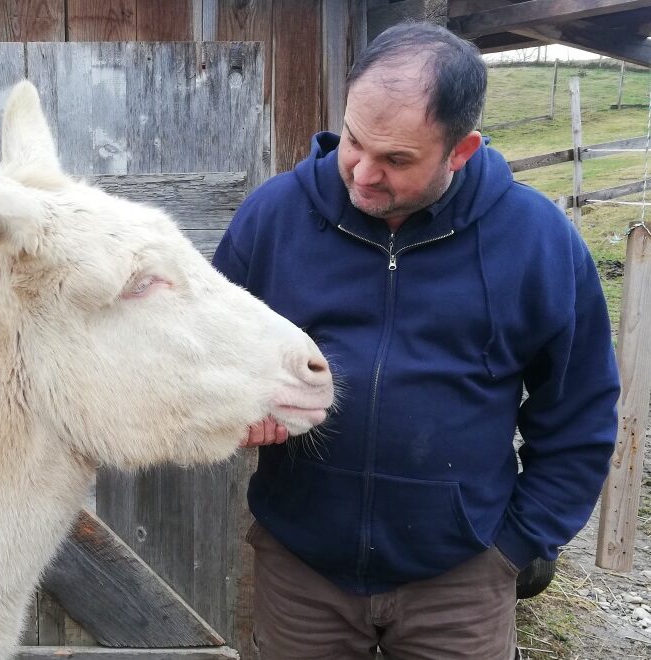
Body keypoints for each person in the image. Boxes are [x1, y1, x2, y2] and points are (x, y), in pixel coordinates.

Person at [213, 22, 621, 660]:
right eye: (354, 140)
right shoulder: (273, 218)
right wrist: (235, 408)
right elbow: (207, 358)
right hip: (302, 569)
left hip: (461, 578)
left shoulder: (537, 241)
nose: (364, 174)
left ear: (462, 150)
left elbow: (581, 409)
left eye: (398, 159)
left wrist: (517, 545)